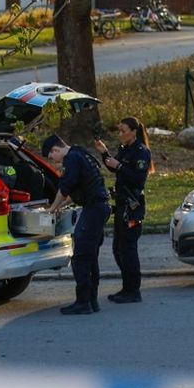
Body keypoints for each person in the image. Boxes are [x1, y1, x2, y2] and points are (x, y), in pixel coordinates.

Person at [41, 133, 111, 315]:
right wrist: (61, 206)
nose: (52, 161)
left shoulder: (71, 159)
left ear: (55, 149)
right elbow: (78, 188)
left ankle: (83, 302)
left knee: (80, 256)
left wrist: (51, 210)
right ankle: (92, 300)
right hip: (99, 207)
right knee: (90, 255)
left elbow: (64, 188)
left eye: (51, 157)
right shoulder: (81, 153)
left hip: (94, 208)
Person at [94, 117, 153, 303]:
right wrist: (104, 153)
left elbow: (138, 178)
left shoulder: (141, 152)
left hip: (132, 206)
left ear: (134, 131)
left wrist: (119, 166)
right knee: (118, 248)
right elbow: (114, 168)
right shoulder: (124, 149)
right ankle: (126, 288)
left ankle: (133, 290)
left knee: (128, 248)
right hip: (121, 204)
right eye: (118, 131)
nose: (120, 134)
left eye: (123, 130)